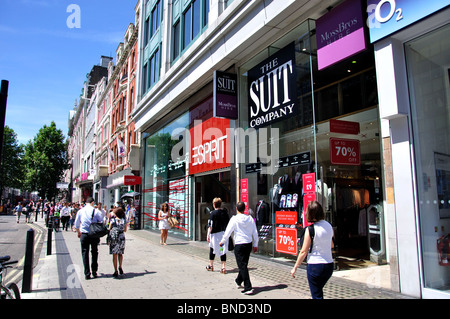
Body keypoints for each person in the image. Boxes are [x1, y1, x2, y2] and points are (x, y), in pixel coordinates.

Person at [290, 201, 334, 299]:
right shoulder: (328, 226)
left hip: (315, 266)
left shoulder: (310, 229)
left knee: (316, 295)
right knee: (318, 292)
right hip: (329, 265)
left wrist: (295, 267)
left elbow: (303, 251)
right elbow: (331, 245)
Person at [220, 201, 258, 295]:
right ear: (244, 209)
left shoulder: (234, 219)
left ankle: (248, 287)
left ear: (236, 209)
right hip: (248, 244)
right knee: (243, 264)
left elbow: (228, 231)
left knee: (242, 265)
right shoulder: (250, 219)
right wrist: (255, 244)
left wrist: (223, 241)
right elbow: (255, 232)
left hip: (239, 244)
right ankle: (238, 281)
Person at [74, 197, 104, 280]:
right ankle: (94, 271)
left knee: (84, 253)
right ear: (92, 202)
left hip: (84, 234)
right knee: (94, 252)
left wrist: (78, 232)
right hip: (94, 234)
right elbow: (101, 222)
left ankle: (87, 273)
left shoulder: (80, 211)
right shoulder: (96, 211)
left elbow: (76, 224)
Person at [206, 198, 230, 274]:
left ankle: (211, 265)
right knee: (222, 250)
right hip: (223, 234)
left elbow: (210, 226)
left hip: (214, 235)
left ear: (213, 204)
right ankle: (223, 267)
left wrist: (208, 235)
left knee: (212, 249)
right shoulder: (225, 212)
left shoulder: (212, 213)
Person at [108, 207, 128, 278]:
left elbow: (109, 229)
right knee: (120, 253)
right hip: (122, 237)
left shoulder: (113, 220)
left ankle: (115, 270)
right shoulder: (123, 220)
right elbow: (125, 230)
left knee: (114, 254)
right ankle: (120, 266)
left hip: (114, 238)